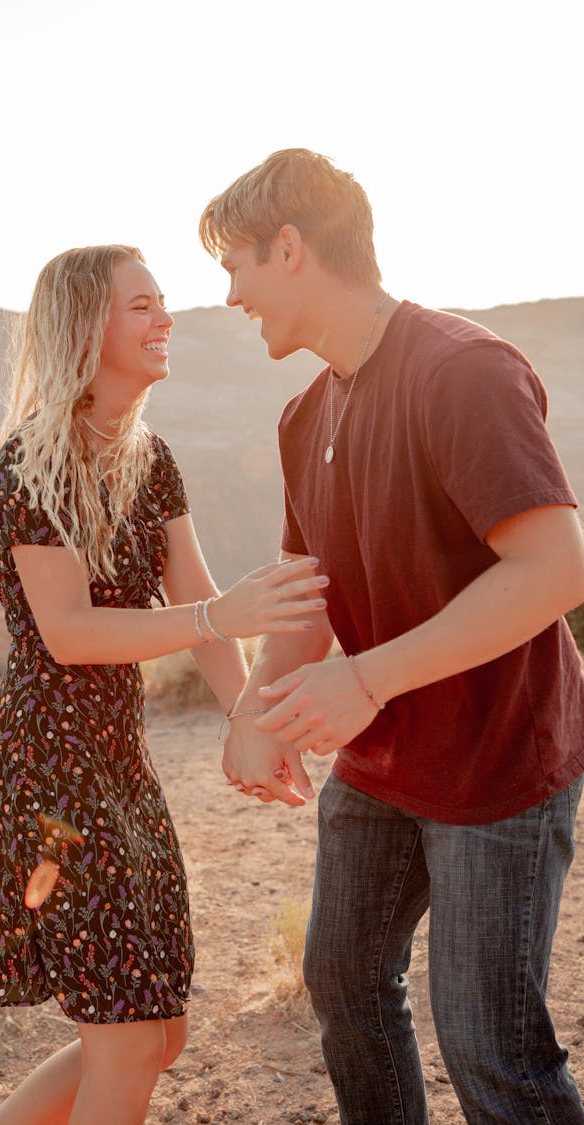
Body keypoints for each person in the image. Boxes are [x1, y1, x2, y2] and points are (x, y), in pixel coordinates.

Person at [0, 244, 327, 1125]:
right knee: (127, 1042)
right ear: (87, 325)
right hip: (49, 772)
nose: (166, 317)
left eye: (163, 301)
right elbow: (73, 632)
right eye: (142, 305)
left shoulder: (151, 457)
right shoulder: (30, 463)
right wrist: (222, 618)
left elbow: (200, 598)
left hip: (117, 768)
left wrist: (250, 719)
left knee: (156, 1033)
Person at [199, 149, 584, 1123]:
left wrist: (367, 679)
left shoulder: (463, 373)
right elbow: (307, 595)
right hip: (380, 764)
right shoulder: (301, 417)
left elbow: (556, 570)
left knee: (489, 1047)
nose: (231, 293)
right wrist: (260, 714)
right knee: (346, 985)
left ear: (290, 248)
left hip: (498, 761)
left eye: (236, 262)